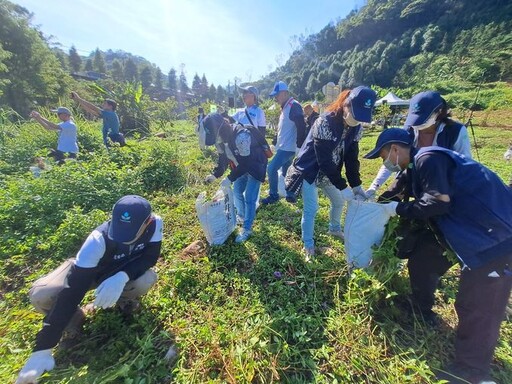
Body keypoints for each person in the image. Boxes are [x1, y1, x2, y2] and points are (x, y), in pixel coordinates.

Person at [364, 128, 512, 384]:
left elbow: (437, 203)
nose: (384, 161)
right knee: (423, 258)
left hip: (495, 238)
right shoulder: (414, 169)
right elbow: (395, 191)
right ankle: (421, 306)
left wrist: (398, 208)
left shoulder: (428, 158)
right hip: (471, 233)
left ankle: (473, 372)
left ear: (396, 150)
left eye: (384, 155)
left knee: (477, 305)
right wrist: (377, 205)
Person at [15, 195, 163, 384]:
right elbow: (72, 291)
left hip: (119, 271)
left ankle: (123, 301)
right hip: (88, 271)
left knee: (146, 278)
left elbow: (149, 257)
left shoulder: (155, 223)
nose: (123, 238)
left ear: (147, 221)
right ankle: (74, 320)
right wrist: (43, 347)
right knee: (42, 294)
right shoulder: (97, 240)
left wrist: (122, 276)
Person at [287, 86, 377, 258]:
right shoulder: (324, 122)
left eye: (361, 118)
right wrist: (343, 187)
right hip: (310, 170)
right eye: (355, 113)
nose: (356, 120)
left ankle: (334, 228)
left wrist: (356, 186)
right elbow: (324, 160)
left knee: (338, 201)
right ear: (346, 104)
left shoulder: (356, 128)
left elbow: (352, 159)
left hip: (329, 173)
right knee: (311, 209)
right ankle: (308, 244)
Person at [366, 91, 471, 199]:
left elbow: (463, 164)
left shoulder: (455, 131)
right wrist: (374, 186)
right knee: (390, 199)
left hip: (442, 182)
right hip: (412, 177)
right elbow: (392, 157)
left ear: (439, 112)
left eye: (423, 118)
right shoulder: (409, 130)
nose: (418, 124)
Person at [203, 113, 270, 243]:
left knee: (249, 197)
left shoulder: (241, 136)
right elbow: (223, 158)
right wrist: (215, 174)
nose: (215, 140)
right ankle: (242, 215)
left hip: (255, 165)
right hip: (240, 167)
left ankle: (247, 228)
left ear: (220, 129)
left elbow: (247, 163)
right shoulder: (221, 140)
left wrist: (230, 178)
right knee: (237, 192)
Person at [261, 81, 307, 205]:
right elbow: (282, 128)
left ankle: (273, 195)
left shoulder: (293, 105)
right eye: (274, 95)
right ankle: (291, 194)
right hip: (285, 146)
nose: (275, 98)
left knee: (271, 169)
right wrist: (275, 142)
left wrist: (299, 145)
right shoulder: (286, 107)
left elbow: (301, 125)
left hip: (288, 148)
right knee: (287, 170)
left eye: (277, 94)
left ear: (285, 93)